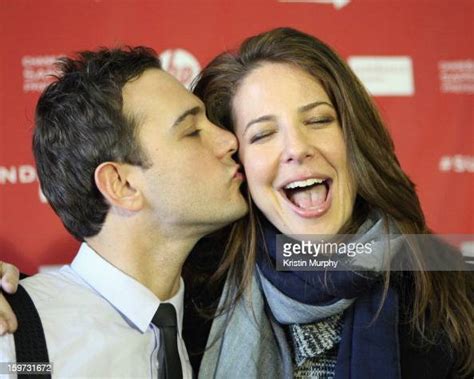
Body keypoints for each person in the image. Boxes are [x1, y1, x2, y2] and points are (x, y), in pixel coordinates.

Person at [1, 28, 473, 378]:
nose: (226, 141)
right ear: (122, 185)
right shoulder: (201, 301)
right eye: (262, 134)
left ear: (355, 137)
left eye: (321, 120)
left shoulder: (451, 293)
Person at [0, 46, 247, 378]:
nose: (229, 141)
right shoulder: (13, 337)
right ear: (121, 185)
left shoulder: (220, 330)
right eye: (191, 132)